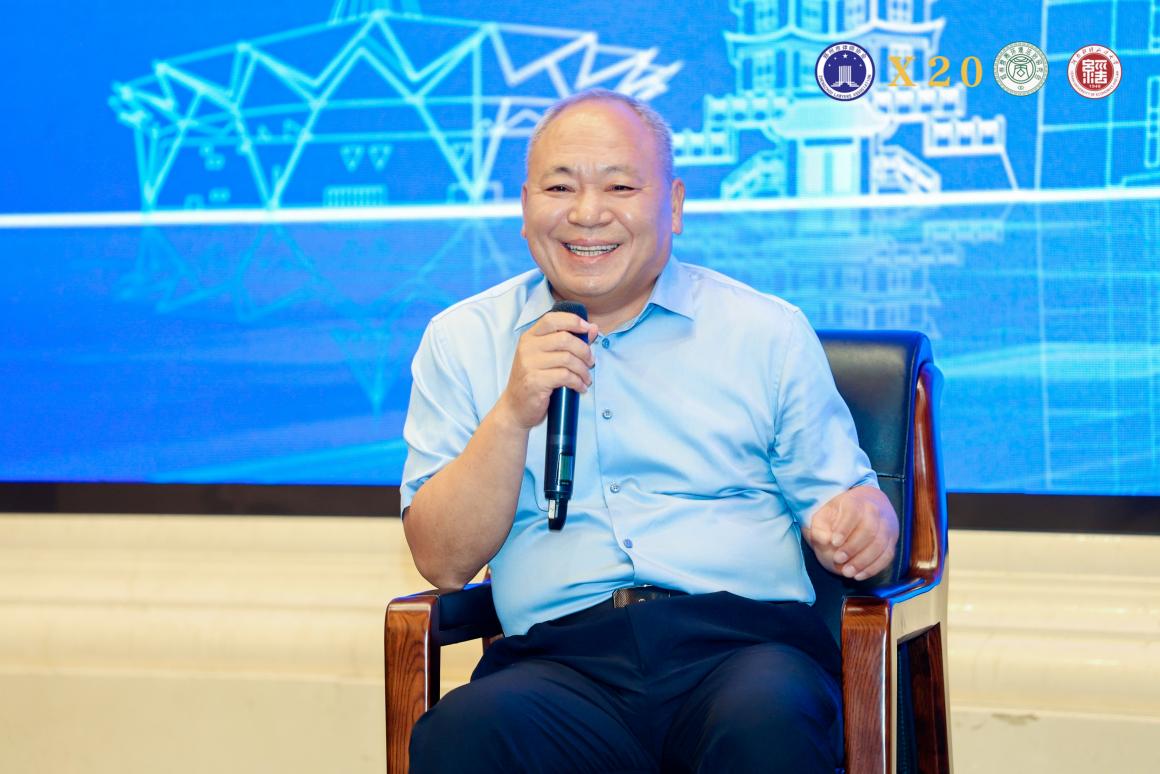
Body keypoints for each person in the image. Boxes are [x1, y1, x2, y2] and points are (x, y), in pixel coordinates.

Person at [399, 89, 899, 773]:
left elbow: (850, 503)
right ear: (525, 207)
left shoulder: (765, 332)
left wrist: (866, 522)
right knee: (464, 732)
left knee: (766, 720)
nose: (587, 213)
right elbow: (443, 561)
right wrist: (513, 411)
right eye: (560, 187)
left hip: (739, 650)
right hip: (557, 664)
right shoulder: (462, 340)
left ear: (675, 205)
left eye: (620, 186)